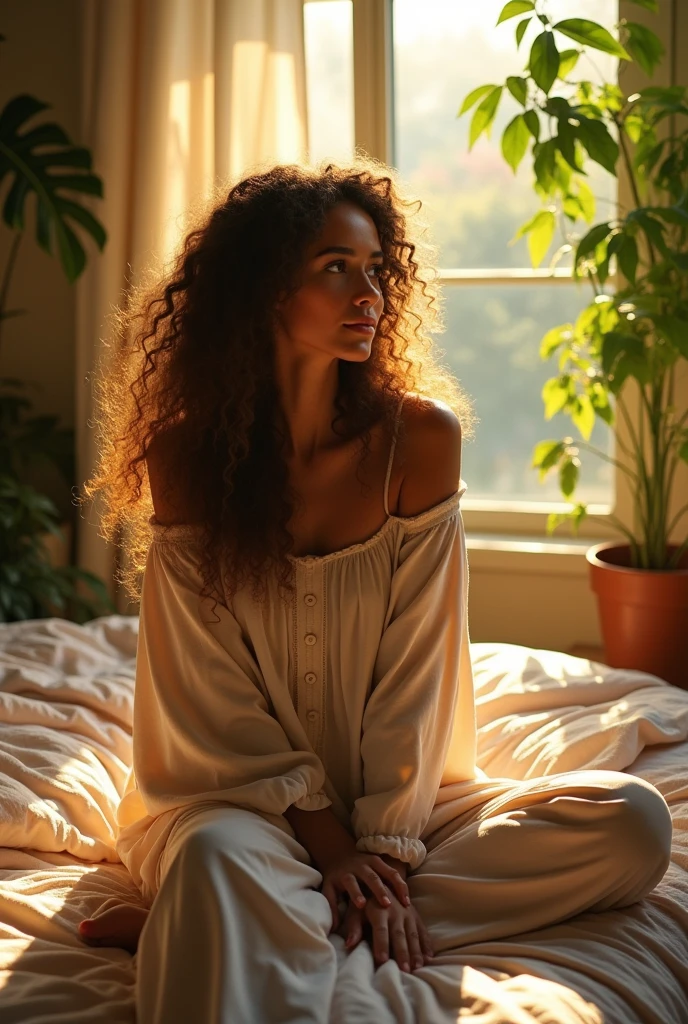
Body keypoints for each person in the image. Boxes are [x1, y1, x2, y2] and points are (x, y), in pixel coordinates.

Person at [77, 159, 673, 1023]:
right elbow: (210, 685)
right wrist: (327, 845)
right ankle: (233, 900)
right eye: (335, 268)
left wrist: (383, 850)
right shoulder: (186, 458)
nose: (370, 294)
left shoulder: (418, 438)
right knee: (213, 860)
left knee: (632, 825)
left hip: (410, 804)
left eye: (374, 271)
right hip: (243, 804)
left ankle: (234, 919)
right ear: (265, 288)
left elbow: (420, 668)